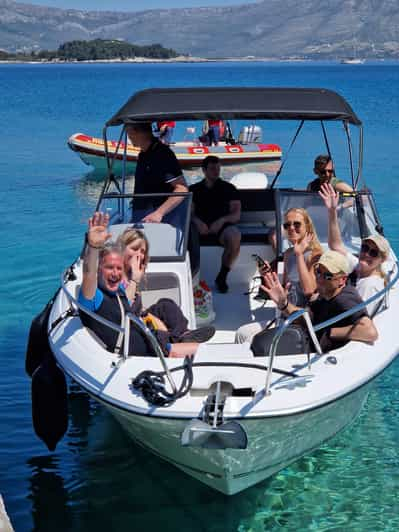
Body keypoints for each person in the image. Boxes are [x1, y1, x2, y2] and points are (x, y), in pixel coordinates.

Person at [78, 212, 206, 358]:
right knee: (201, 353)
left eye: (119, 268)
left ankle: (183, 335)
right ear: (99, 269)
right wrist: (93, 247)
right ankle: (179, 337)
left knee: (205, 351)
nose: (115, 273)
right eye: (109, 267)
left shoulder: (118, 291)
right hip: (151, 356)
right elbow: (88, 273)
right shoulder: (94, 297)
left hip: (157, 346)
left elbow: (129, 307)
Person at [236, 250, 378, 351]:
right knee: (248, 339)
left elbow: (370, 332)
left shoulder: (345, 298)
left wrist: (330, 332)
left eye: (328, 276)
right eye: (318, 272)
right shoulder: (325, 294)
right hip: (304, 341)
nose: (320, 279)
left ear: (342, 280)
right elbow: (305, 317)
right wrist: (283, 304)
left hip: (314, 355)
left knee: (255, 346)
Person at [116, 227, 215, 349]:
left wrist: (150, 315)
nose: (139, 255)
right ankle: (179, 339)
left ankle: (185, 334)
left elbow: (139, 308)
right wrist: (135, 280)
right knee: (159, 331)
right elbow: (125, 307)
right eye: (134, 249)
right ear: (121, 249)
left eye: (142, 251)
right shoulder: (116, 275)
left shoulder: (132, 273)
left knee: (166, 305)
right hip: (130, 322)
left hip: (139, 315)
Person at [319, 182, 390, 315]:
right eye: (364, 248)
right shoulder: (359, 267)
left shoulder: (369, 285)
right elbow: (336, 245)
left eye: (373, 252)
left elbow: (358, 320)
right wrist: (332, 211)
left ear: (382, 259)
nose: (366, 254)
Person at [189, 155, 241, 293]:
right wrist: (197, 222)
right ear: (204, 170)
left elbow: (236, 214)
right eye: (212, 168)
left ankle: (222, 276)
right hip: (198, 228)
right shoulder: (194, 190)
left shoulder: (229, 188)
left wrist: (222, 220)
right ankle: (190, 278)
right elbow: (189, 213)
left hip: (222, 228)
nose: (216, 171)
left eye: (218, 168)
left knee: (235, 236)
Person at [126, 122, 188, 223]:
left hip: (157, 222)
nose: (129, 136)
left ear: (140, 132)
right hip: (141, 217)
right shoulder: (143, 155)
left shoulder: (163, 154)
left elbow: (182, 188)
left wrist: (159, 213)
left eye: (130, 132)